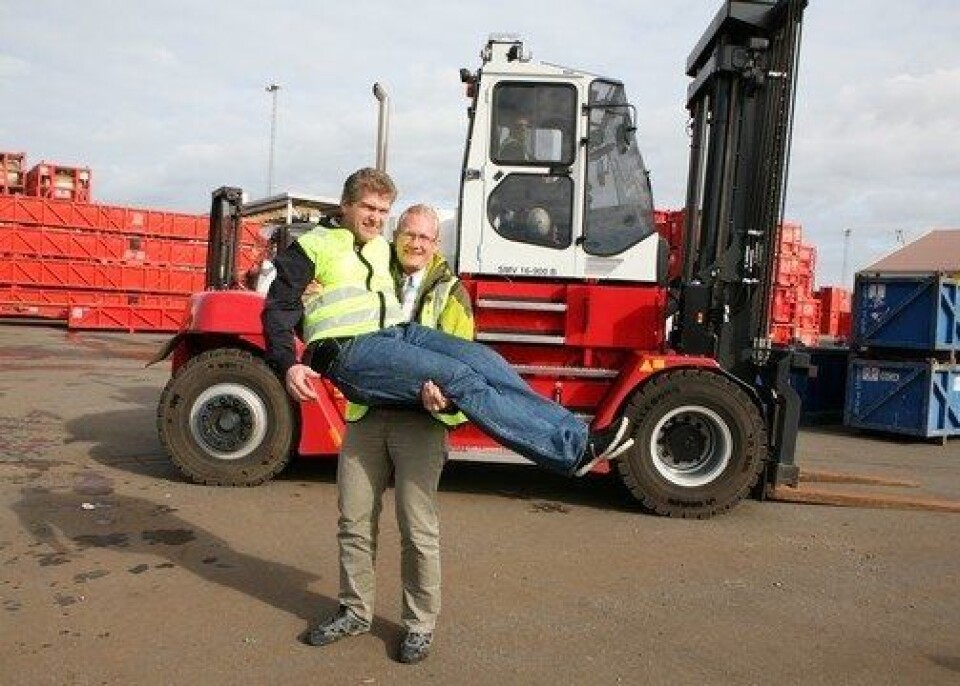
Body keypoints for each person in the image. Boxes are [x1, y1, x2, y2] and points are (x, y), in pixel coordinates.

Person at [262, 167, 632, 481]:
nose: (375, 217)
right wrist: (288, 363)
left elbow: (416, 250)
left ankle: (579, 439)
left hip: (395, 336)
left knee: (486, 361)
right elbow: (277, 308)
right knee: (459, 377)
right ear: (345, 205)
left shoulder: (378, 245)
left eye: (383, 210)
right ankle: (565, 453)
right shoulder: (313, 246)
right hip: (348, 350)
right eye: (367, 208)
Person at [301, 204, 472, 664]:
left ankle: (419, 625)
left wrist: (449, 398)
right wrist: (309, 294)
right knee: (353, 521)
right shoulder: (369, 270)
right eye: (409, 235)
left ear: (436, 245)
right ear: (397, 236)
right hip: (367, 414)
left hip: (421, 422)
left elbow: (466, 361)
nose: (416, 244)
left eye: (426, 238)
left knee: (418, 530)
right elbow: (327, 308)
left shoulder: (453, 293)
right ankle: (355, 611)